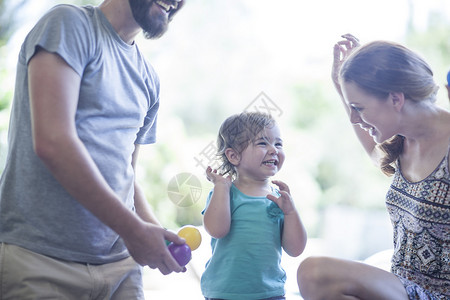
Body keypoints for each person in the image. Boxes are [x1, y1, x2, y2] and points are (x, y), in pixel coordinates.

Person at [0, 0, 187, 298]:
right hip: (42, 263)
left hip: (121, 268)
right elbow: (53, 142)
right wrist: (135, 232)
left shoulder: (149, 79)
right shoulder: (69, 24)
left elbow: (127, 175)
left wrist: (157, 235)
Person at [297, 34, 450, 300]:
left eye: (359, 107)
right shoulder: (403, 143)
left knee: (314, 272)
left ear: (395, 99)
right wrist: (339, 85)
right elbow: (374, 150)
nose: (354, 118)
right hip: (401, 286)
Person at [201, 111, 308, 300]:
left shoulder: (280, 198)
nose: (274, 149)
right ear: (233, 156)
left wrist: (290, 213)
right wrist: (220, 186)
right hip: (224, 293)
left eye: (278, 144)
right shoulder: (224, 193)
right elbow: (216, 230)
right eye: (262, 143)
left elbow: (295, 249)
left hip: (270, 293)